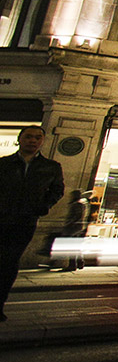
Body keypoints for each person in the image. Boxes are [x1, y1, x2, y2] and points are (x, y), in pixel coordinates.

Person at [0, 125, 66, 321]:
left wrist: (42, 207)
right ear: (20, 139)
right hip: (1, 218)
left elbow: (57, 191)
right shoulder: (4, 164)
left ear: (42, 142)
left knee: (9, 263)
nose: (33, 140)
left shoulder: (51, 167)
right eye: (29, 137)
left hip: (25, 222)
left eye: (38, 138)